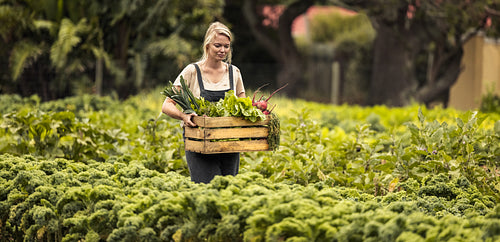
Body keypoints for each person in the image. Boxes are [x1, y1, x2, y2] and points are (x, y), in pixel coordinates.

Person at [161, 21, 246, 183]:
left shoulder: (233, 72)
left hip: (229, 142)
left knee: (229, 190)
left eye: (226, 46)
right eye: (218, 45)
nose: (222, 50)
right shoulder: (192, 71)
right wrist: (183, 116)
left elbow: (243, 105)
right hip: (200, 142)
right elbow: (167, 105)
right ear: (207, 45)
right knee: (207, 189)